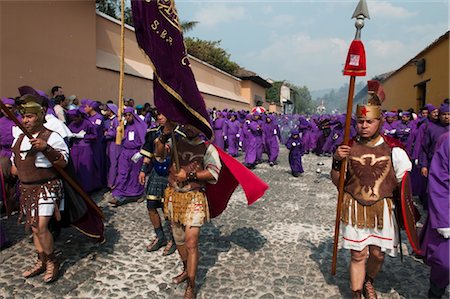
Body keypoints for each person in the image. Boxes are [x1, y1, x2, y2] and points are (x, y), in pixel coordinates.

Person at [331, 81, 412, 299]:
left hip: (381, 208)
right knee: (358, 254)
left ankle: (369, 280)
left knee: (377, 254)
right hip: (354, 208)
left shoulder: (392, 149)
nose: (364, 125)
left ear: (379, 122)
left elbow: (404, 186)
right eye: (360, 121)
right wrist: (337, 161)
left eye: (369, 121)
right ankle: (357, 292)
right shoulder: (348, 147)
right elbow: (337, 182)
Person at [156, 122, 222, 299]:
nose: (189, 128)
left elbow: (213, 173)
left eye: (194, 125)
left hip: (194, 197)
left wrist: (190, 175)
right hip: (174, 197)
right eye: (187, 125)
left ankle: (191, 287)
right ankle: (186, 270)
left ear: (201, 128)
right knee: (179, 240)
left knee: (191, 242)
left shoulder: (207, 149)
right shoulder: (175, 142)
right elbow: (159, 154)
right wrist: (164, 134)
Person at [10, 94, 69, 283]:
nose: (25, 120)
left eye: (30, 116)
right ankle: (41, 259)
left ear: (40, 115)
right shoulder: (18, 139)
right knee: (35, 228)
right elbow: (14, 168)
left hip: (46, 187)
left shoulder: (52, 136)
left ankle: (52, 261)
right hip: (27, 190)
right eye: (23, 116)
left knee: (41, 226)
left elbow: (64, 162)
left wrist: (46, 148)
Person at [138, 111, 176, 255]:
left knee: (169, 210)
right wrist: (142, 170)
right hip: (156, 173)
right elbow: (148, 154)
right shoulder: (153, 133)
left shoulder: (178, 134)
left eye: (162, 114)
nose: (159, 117)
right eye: (157, 114)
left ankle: (173, 239)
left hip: (171, 174)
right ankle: (160, 237)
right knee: (151, 205)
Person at [420, 132, 449, 298]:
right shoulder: (447, 142)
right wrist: (443, 220)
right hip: (448, 209)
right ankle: (436, 292)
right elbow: (439, 181)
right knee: (445, 263)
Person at [110, 107, 147, 206]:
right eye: (125, 115)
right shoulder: (124, 126)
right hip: (125, 152)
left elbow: (145, 140)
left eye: (129, 115)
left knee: (135, 174)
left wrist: (141, 153)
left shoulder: (140, 126)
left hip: (136, 153)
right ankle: (118, 195)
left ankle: (139, 193)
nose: (127, 117)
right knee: (122, 173)